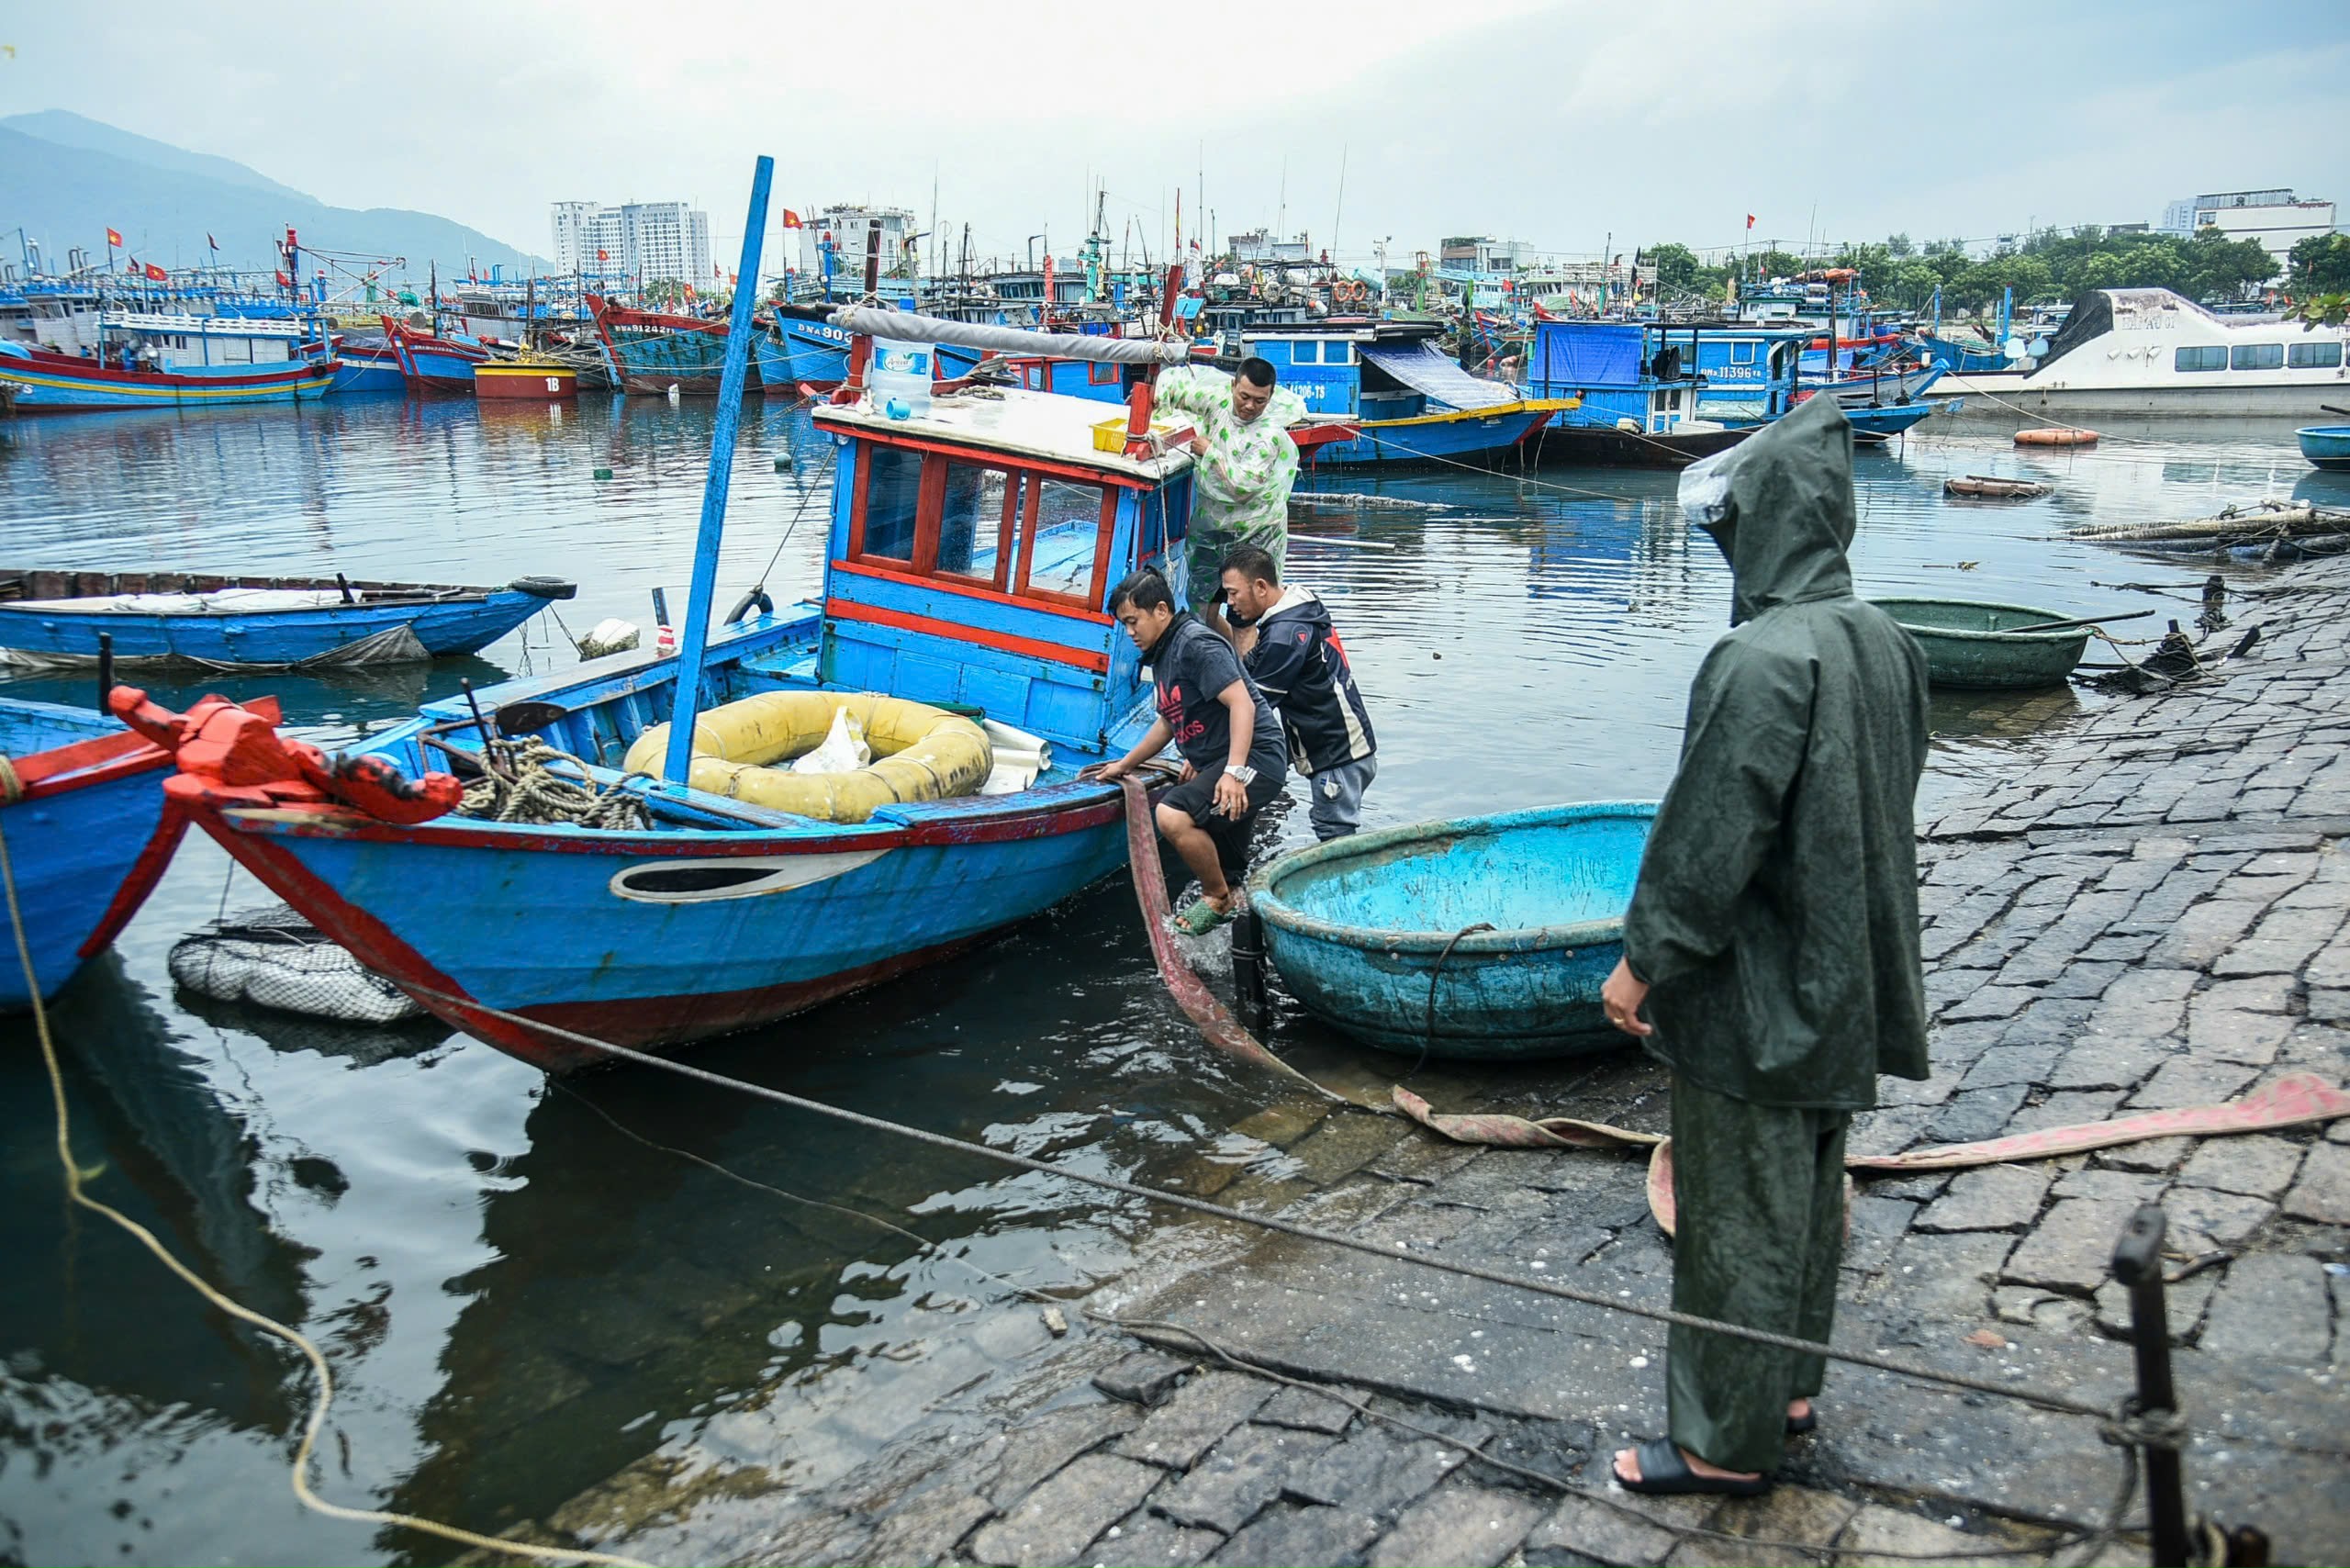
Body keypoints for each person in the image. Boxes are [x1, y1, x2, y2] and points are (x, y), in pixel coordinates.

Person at [1597, 394, 1930, 1498]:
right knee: (1807, 1196)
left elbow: (1706, 842)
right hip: (1846, 977)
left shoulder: (1757, 659)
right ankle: (1783, 1391)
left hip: (1756, 994)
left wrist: (1642, 962)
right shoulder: (1886, 643)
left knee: (1736, 1211)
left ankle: (1716, 1444)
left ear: (1762, 522)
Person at [1088, 566, 1288, 934]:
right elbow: (1168, 720)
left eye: (1134, 621)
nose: (1130, 632)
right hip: (1221, 760)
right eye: (1124, 625)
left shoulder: (1196, 645)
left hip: (1256, 758)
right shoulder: (1164, 652)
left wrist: (1233, 773)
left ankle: (1216, 896)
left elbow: (1242, 705)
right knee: (1233, 873)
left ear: (1162, 610)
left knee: (1173, 815)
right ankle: (1236, 920)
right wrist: (1125, 765)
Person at [1216, 543, 1378, 840]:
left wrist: (1224, 761)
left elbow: (1253, 705)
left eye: (1234, 593)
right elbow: (1252, 665)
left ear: (1261, 587)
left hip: (1335, 754)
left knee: (1334, 836)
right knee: (1335, 829)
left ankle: (1339, 885)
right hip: (1350, 745)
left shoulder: (1284, 637)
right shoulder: (1298, 602)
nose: (1230, 602)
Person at [1152, 358, 1307, 628]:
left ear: (1270, 397)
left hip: (1255, 531)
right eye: (1244, 396)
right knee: (1204, 607)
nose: (1249, 406)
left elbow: (1242, 487)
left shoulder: (1269, 435)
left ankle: (1247, 669)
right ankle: (1220, 662)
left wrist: (1210, 451)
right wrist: (1153, 398)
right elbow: (1179, 390)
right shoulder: (1218, 401)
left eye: (1259, 401)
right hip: (1213, 525)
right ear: (1233, 385)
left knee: (1244, 617)